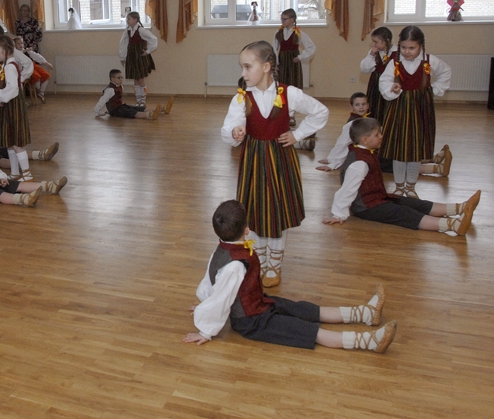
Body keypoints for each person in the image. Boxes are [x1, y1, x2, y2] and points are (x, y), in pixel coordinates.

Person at [183, 200, 397, 353]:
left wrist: (204, 301)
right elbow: (222, 296)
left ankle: (365, 314)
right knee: (305, 330)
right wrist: (206, 330)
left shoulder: (222, 250)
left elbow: (211, 280)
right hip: (251, 321)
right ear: (247, 230)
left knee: (301, 309)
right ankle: (368, 341)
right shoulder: (235, 266)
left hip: (260, 303)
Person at [221, 41, 328, 287]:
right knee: (255, 211)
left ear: (267, 67)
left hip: (281, 159)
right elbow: (228, 127)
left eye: (248, 67)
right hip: (253, 159)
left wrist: (298, 135)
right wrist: (235, 132)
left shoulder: (289, 93)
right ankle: (259, 262)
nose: (243, 73)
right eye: (242, 67)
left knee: (277, 211)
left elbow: (320, 112)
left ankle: (275, 266)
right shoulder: (241, 98)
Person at [323, 118, 479, 236]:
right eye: (377, 134)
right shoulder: (359, 163)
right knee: (404, 214)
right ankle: (453, 225)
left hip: (377, 199)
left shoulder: (365, 153)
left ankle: (460, 208)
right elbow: (347, 190)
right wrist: (339, 214)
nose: (381, 136)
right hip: (367, 207)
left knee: (412, 203)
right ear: (365, 139)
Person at [379, 26, 451, 198]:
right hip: (399, 109)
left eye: (412, 48)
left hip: (421, 110)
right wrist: (392, 88)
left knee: (414, 150)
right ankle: (398, 186)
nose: (407, 51)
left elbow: (446, 71)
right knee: (399, 149)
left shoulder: (429, 61)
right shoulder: (394, 62)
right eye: (404, 47)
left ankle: (411, 187)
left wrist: (435, 90)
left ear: (420, 46)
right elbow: (384, 81)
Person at [316, 92, 451, 177]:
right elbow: (342, 143)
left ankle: (434, 162)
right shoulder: (353, 124)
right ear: (352, 107)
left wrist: (331, 159)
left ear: (368, 105)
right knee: (398, 163)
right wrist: (331, 161)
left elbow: (342, 144)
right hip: (369, 155)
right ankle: (436, 167)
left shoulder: (362, 119)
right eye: (358, 105)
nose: (361, 107)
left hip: (374, 153)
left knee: (398, 160)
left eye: (364, 104)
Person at [0, 36, 34, 181]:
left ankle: (27, 174)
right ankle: (15, 173)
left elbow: (13, 89)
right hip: (10, 105)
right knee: (10, 142)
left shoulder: (9, 66)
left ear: (6, 50)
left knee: (15, 142)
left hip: (12, 106)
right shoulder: (8, 64)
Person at [272, 9, 315, 126]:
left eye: (285, 19)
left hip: (292, 65)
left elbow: (311, 48)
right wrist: (275, 63)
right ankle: (281, 113)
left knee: (292, 87)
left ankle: (291, 115)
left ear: (292, 20)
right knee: (281, 88)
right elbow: (274, 49)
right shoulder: (278, 33)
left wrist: (300, 57)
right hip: (282, 63)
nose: (282, 21)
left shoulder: (299, 34)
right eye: (281, 19)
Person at [95, 69, 172, 120]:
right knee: (131, 112)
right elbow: (102, 101)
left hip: (120, 107)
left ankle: (163, 109)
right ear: (112, 79)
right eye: (119, 78)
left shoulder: (120, 86)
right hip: (115, 111)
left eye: (122, 77)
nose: (121, 79)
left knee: (136, 108)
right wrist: (98, 111)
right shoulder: (110, 90)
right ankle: (149, 115)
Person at [119, 11, 157, 108]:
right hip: (131, 56)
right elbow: (123, 44)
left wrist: (148, 51)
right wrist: (123, 57)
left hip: (139, 56)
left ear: (135, 20)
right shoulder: (127, 30)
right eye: (127, 19)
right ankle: (138, 100)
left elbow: (153, 39)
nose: (127, 21)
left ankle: (143, 101)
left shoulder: (141, 30)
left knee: (140, 78)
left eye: (129, 19)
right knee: (135, 79)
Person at [360, 27, 394, 121]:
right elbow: (364, 69)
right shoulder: (374, 52)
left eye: (376, 41)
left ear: (386, 40)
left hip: (391, 84)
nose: (374, 44)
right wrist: (371, 55)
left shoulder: (397, 53)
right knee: (376, 109)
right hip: (376, 84)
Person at [13, 36, 52, 103]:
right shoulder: (15, 53)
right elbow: (18, 58)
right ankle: (37, 88)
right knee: (37, 78)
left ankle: (41, 93)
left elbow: (36, 56)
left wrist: (46, 63)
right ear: (15, 45)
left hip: (33, 65)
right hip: (26, 68)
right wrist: (26, 50)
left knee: (47, 75)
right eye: (18, 44)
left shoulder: (27, 50)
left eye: (22, 43)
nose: (21, 45)